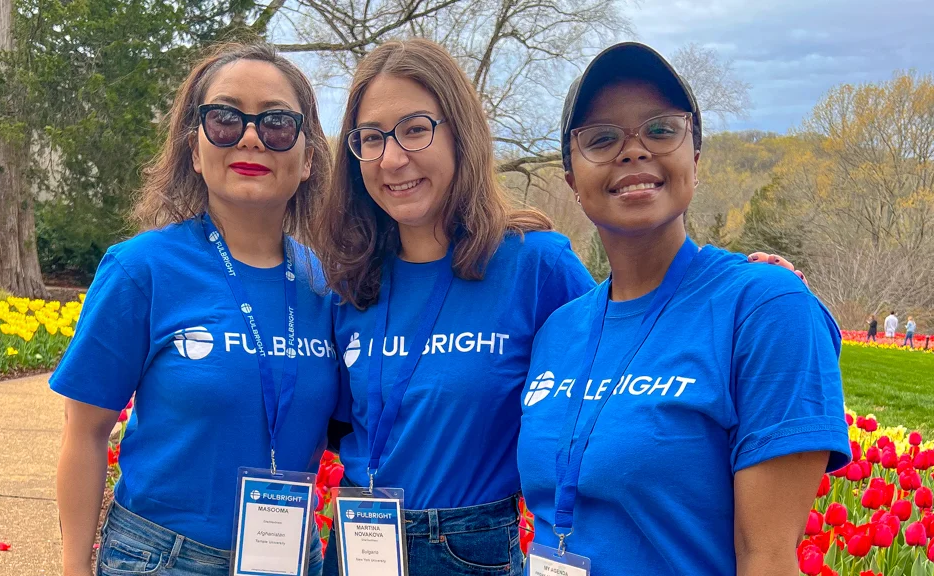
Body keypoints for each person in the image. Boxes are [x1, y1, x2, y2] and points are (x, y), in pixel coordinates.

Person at [309, 38, 805, 576]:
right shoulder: (348, 283)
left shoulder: (534, 265)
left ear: (460, 136)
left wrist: (751, 289)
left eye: (414, 129)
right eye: (371, 138)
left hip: (471, 547)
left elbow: (631, 330)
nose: (393, 156)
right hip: (358, 543)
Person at [516, 42, 851, 576]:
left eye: (660, 129)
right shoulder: (560, 328)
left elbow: (766, 557)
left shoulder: (764, 308)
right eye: (601, 139)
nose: (633, 151)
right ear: (572, 182)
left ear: (694, 155)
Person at [52, 43, 340, 576]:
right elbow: (85, 432)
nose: (251, 136)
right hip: (161, 558)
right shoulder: (141, 270)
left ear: (307, 160)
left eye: (277, 123)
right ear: (194, 149)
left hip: (292, 560)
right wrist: (73, 568)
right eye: (225, 119)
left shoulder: (327, 284)